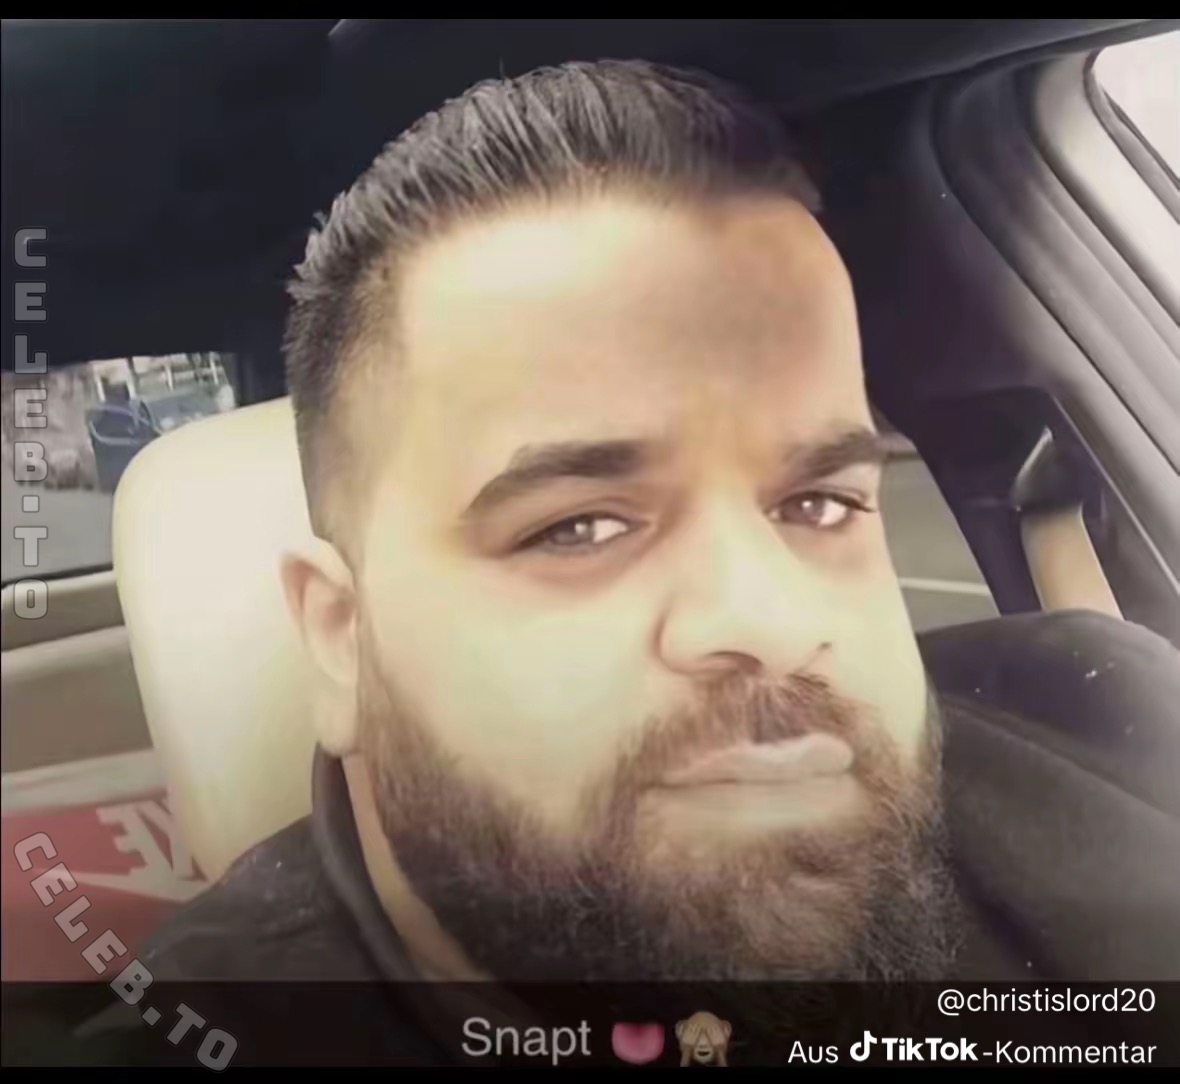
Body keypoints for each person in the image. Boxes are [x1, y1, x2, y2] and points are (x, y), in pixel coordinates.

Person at [125, 58, 1178, 1063]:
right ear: (341, 638)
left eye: (817, 503)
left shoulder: (1106, 719)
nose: (768, 618)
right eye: (578, 526)